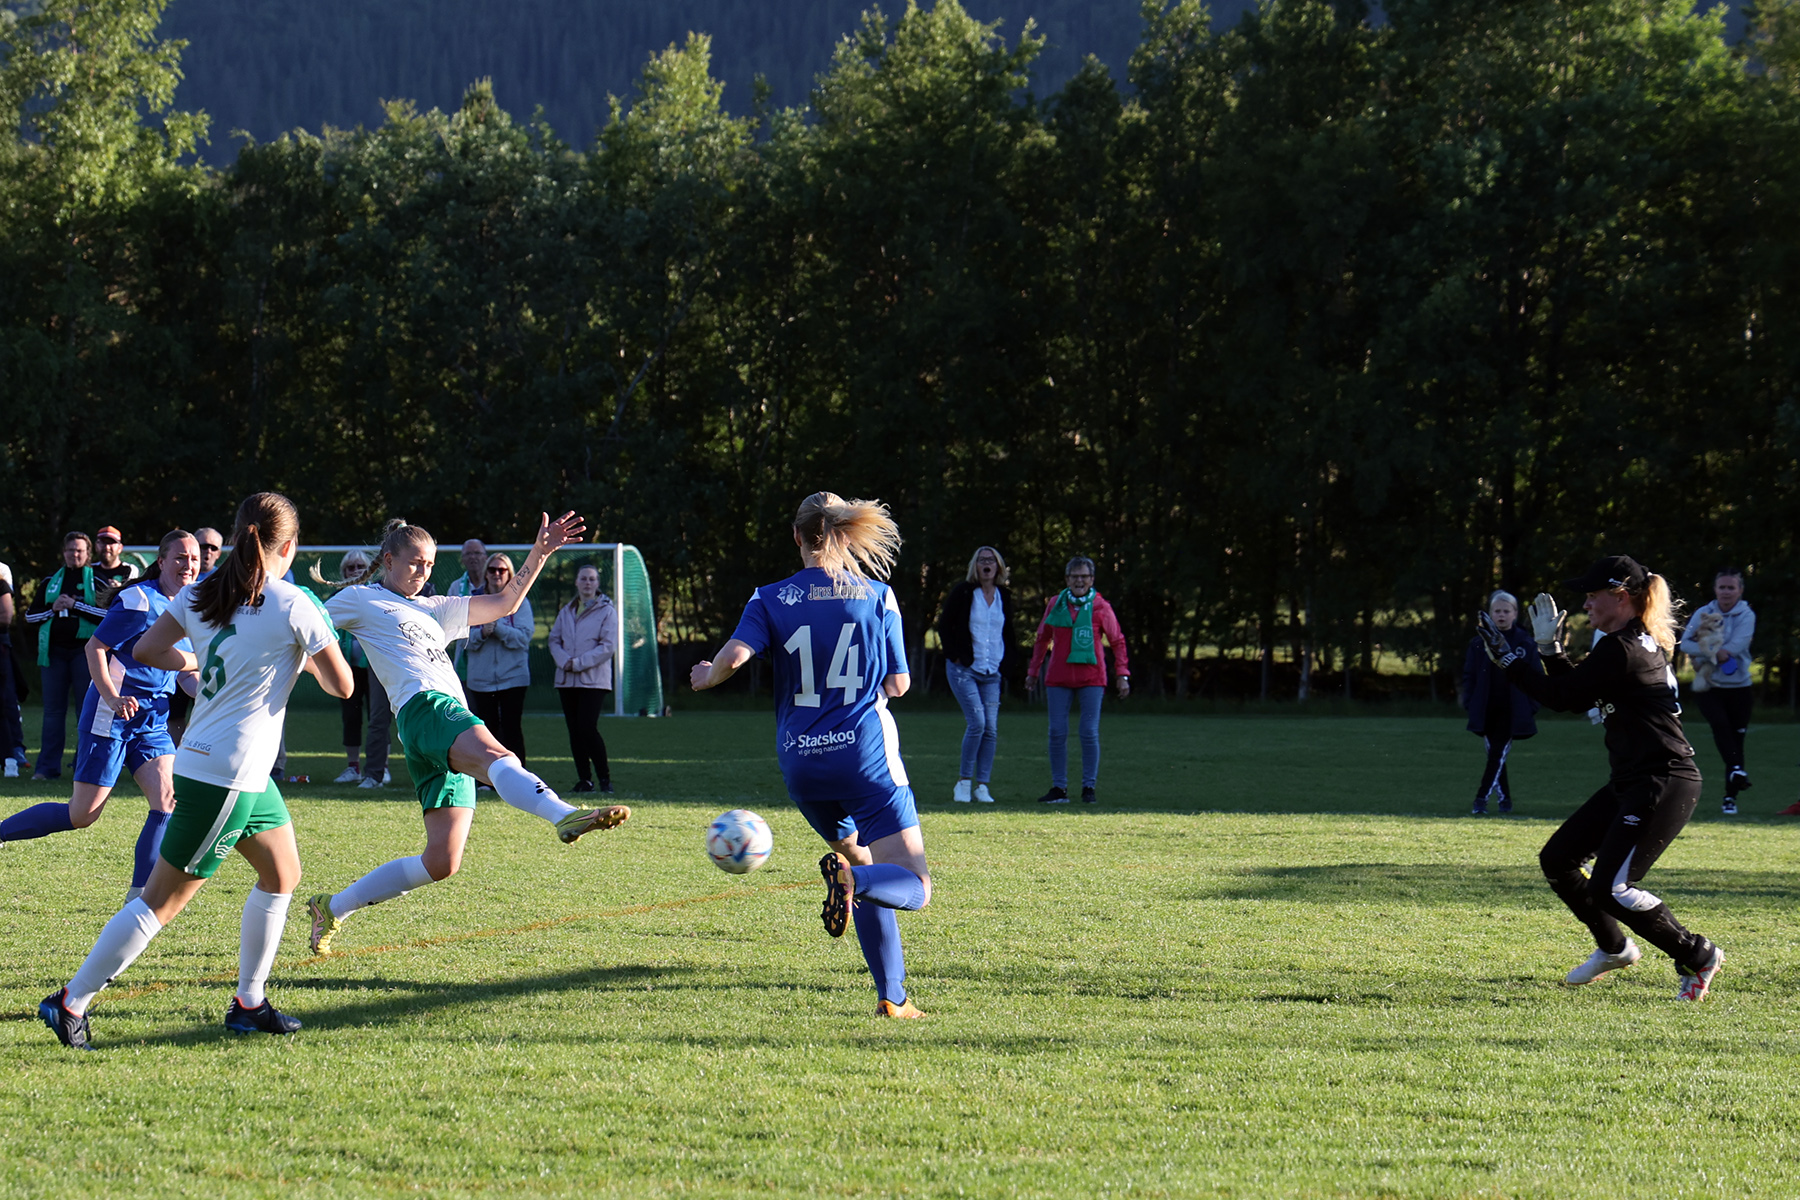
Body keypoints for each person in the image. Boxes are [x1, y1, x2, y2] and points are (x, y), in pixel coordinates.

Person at [37, 493, 354, 1050]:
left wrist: (208, 660)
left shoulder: (204, 590)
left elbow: (148, 649)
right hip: (226, 775)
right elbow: (342, 686)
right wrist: (299, 653)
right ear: (290, 546)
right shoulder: (293, 602)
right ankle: (70, 1001)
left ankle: (249, 1003)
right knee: (161, 902)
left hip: (231, 769)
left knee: (283, 874)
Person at [305, 513, 628, 956]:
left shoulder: (435, 607)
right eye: (415, 562)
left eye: (431, 565)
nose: (423, 572)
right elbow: (307, 626)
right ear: (388, 560)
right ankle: (563, 815)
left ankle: (332, 907)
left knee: (442, 861)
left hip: (437, 725)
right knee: (498, 755)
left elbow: (505, 604)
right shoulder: (362, 598)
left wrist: (541, 552)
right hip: (426, 710)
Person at [689, 491, 930, 1019]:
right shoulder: (877, 595)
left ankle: (894, 997)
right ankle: (854, 885)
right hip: (866, 759)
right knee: (913, 883)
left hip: (803, 763)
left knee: (859, 856)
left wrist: (706, 677)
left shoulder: (771, 596)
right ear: (844, 532)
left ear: (796, 536)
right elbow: (900, 683)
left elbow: (734, 656)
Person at [1476, 555, 1724, 1000]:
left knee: (1612, 888)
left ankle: (1698, 954)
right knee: (1559, 859)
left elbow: (1562, 696)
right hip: (1634, 780)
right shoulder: (1630, 642)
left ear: (1621, 596)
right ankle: (1614, 947)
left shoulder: (1622, 647)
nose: (1586, 604)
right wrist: (1549, 653)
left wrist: (1515, 661)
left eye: (1593, 595)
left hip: (1662, 782)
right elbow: (1577, 691)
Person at [0, 531, 201, 902]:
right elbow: (96, 647)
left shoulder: (194, 605)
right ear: (161, 561)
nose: (188, 564)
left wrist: (210, 691)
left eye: (194, 558)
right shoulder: (139, 600)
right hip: (112, 714)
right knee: (83, 815)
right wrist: (111, 696)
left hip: (151, 719)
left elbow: (187, 675)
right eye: (180, 557)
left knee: (167, 801)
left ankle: (139, 898)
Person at [1026, 556, 1130, 804]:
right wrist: (1033, 671)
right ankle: (1059, 788)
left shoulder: (1101, 607)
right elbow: (1042, 639)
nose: (1079, 581)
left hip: (1092, 677)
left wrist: (1122, 675)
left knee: (1088, 732)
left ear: (1092, 580)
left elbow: (1117, 641)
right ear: (1067, 580)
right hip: (1059, 677)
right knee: (1057, 732)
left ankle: (1088, 788)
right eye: (1075, 577)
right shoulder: (1055, 604)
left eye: (1084, 576)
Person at [23, 533, 110, 780]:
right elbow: (30, 616)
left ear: (88, 554)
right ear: (63, 552)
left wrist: (75, 606)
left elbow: (108, 617)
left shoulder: (99, 582)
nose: (75, 555)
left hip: (86, 653)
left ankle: (83, 768)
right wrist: (53, 609)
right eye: (71, 550)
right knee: (52, 713)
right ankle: (46, 769)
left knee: (87, 710)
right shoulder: (50, 581)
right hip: (53, 655)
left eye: (80, 551)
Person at [937, 546, 1013, 804]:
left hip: (992, 671)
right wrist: (954, 655)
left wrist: (1010, 664)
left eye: (991, 560)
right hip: (964, 669)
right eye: (982, 560)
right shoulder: (964, 592)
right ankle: (963, 782)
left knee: (991, 729)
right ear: (975, 566)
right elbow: (944, 624)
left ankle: (982, 786)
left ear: (998, 567)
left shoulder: (1004, 595)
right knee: (977, 723)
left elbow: (1008, 631)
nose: (986, 564)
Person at [1678, 569, 1755, 815]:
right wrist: (1711, 652)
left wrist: (1719, 651)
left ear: (1740, 591)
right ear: (1715, 589)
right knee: (1720, 726)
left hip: (1740, 687)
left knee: (1737, 739)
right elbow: (1685, 643)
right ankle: (1735, 769)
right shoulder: (1703, 613)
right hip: (1708, 685)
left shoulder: (1746, 614)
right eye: (1722, 587)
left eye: (1731, 588)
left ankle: (1730, 797)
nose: (1726, 592)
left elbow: (1739, 644)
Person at [1459, 590, 1540, 815]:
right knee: (1497, 756)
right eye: (1497, 611)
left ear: (1515, 614)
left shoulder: (1525, 644)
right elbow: (1470, 676)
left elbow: (1536, 677)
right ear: (1490, 614)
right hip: (1487, 709)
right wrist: (1470, 703)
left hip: (1513, 710)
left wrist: (1531, 706)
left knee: (1496, 755)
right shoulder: (1478, 643)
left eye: (1506, 611)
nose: (1501, 615)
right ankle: (1505, 802)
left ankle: (1480, 800)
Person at [548, 564, 616, 793]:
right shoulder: (566, 610)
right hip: (566, 680)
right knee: (574, 731)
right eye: (583, 579)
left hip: (593, 681)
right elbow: (554, 640)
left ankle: (604, 778)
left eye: (592, 579)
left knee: (587, 727)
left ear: (598, 584)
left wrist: (578, 663)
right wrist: (563, 660)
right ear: (576, 582)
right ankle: (585, 779)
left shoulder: (607, 611)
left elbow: (608, 646)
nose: (588, 583)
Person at [465, 553, 532, 764]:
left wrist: (498, 629)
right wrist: (482, 633)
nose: (496, 574)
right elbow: (463, 640)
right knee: (486, 732)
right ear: (485, 573)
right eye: (492, 570)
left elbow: (523, 639)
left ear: (510, 574)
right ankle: (488, 779)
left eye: (502, 570)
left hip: (513, 677)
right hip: (481, 680)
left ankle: (519, 778)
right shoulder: (474, 601)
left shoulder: (521, 601)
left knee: (512, 729)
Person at [330, 550, 375, 784]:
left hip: (376, 668)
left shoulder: (377, 595)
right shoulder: (336, 598)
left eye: (360, 566)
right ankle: (353, 766)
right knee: (351, 716)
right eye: (350, 567)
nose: (355, 570)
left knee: (378, 717)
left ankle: (380, 766)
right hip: (348, 668)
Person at [446, 537, 487, 672]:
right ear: (462, 560)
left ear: (485, 557)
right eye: (468, 554)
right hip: (466, 659)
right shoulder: (456, 587)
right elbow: (449, 622)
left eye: (477, 553)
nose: (473, 557)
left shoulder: (495, 585)